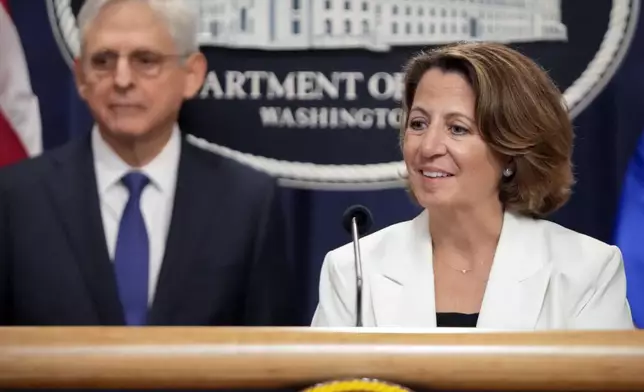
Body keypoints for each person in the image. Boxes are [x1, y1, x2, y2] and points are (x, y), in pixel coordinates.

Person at [0, 0, 297, 326]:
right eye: (103, 61)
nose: (122, 79)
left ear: (192, 74)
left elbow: (269, 358)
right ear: (81, 77)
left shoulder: (247, 202)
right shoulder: (17, 199)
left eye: (145, 60)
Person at [311, 42, 634, 329]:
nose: (428, 147)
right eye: (419, 124)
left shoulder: (586, 270)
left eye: (458, 129)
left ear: (512, 150)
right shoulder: (353, 270)